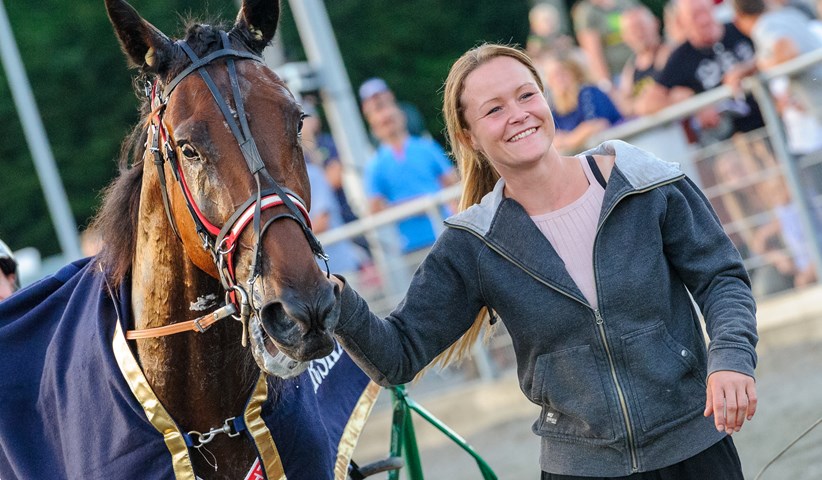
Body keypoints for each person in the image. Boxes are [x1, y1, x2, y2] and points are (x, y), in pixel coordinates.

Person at [331, 44, 758, 478]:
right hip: (579, 468)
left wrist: (731, 356)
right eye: (494, 109)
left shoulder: (644, 183)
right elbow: (397, 355)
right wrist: (332, 295)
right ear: (469, 137)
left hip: (696, 447)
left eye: (526, 95)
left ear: (546, 97)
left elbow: (721, 277)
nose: (517, 114)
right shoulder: (474, 243)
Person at [638, 0, 765, 145]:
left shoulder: (739, 27)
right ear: (682, 22)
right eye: (695, 16)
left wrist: (744, 70)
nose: (703, 20)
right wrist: (693, 104)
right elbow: (646, 104)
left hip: (771, 115)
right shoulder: (681, 57)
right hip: (732, 137)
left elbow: (775, 50)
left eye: (705, 11)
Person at [359, 78, 458, 254]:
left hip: (445, 232)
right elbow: (374, 207)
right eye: (382, 120)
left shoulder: (425, 147)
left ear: (401, 116)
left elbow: (452, 183)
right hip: (410, 245)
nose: (386, 119)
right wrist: (409, 207)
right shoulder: (375, 164)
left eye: (390, 117)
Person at [540, 56, 623, 153]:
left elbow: (598, 124)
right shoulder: (555, 109)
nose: (558, 79)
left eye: (561, 72)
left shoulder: (588, 92)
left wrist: (568, 140)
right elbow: (552, 139)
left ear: (574, 72)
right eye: (552, 76)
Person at [617, 6, 674, 117]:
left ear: (655, 24)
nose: (639, 33)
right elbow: (624, 105)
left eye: (641, 26)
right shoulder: (630, 68)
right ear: (625, 37)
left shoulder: (671, 53)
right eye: (633, 30)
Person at [571, 0, 639, 92]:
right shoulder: (587, 12)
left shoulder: (625, 3)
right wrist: (607, 84)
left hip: (638, 66)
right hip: (616, 75)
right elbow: (593, 53)